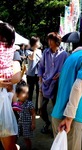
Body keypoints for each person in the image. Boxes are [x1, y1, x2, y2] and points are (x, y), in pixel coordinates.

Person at [38, 32, 68, 134]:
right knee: (42, 108)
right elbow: (41, 67)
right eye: (49, 40)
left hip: (57, 85)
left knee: (56, 107)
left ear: (57, 41)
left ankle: (56, 128)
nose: (49, 42)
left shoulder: (64, 54)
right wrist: (40, 78)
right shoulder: (45, 53)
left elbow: (68, 69)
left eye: (52, 40)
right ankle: (47, 123)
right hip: (45, 83)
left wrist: (61, 73)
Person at [0, 22, 21, 150]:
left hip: (5, 103)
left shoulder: (13, 52)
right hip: (6, 98)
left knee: (9, 142)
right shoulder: (12, 49)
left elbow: (16, 77)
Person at [15, 80, 36, 150]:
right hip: (18, 124)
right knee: (15, 138)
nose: (26, 95)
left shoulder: (29, 104)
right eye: (24, 93)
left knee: (26, 139)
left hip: (27, 125)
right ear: (17, 94)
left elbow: (33, 113)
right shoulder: (15, 103)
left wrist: (33, 123)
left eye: (27, 93)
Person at [26, 36, 42, 113]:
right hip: (30, 75)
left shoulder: (40, 51)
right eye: (38, 42)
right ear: (34, 43)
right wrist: (35, 49)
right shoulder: (28, 51)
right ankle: (29, 108)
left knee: (38, 92)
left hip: (38, 74)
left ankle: (37, 108)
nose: (39, 43)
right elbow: (32, 58)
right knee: (30, 92)